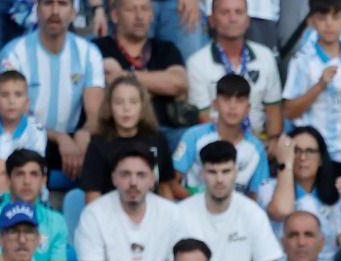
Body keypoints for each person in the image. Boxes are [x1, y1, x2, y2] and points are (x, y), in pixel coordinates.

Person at [0, 0, 105, 182]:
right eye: (48, 3)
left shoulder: (88, 52)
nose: (54, 11)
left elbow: (95, 115)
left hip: (71, 139)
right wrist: (59, 137)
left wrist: (83, 133)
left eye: (62, 4)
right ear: (37, 11)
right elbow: (12, 116)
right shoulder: (14, 53)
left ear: (73, 13)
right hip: (24, 137)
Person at [283, 0, 341, 208]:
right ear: (312, 22)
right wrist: (319, 86)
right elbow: (290, 111)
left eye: (335, 17)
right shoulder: (301, 62)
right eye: (322, 18)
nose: (329, 24)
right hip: (318, 158)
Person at [75, 145, 179, 261]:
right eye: (125, 174)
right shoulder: (94, 213)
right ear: (114, 178)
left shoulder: (171, 213)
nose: (133, 182)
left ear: (152, 180)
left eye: (141, 175)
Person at [174, 140, 282, 261]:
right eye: (212, 172)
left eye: (226, 171)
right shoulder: (180, 213)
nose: (219, 180)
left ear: (236, 172)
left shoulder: (252, 213)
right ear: (202, 174)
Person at [259, 126, 341, 261]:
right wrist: (285, 164)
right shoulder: (268, 187)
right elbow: (282, 210)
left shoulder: (334, 194)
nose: (303, 157)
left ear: (321, 159)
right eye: (296, 151)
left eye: (310, 151)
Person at [186, 0, 284, 140]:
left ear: (248, 20)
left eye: (239, 12)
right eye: (225, 12)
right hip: (215, 146)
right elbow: (204, 118)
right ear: (212, 20)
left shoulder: (265, 56)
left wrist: (273, 141)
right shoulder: (197, 63)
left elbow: (273, 110)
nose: (233, 18)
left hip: (259, 142)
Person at [78, 74, 178, 202]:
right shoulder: (98, 144)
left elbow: (165, 186)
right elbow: (92, 197)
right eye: (119, 102)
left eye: (133, 102)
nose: (126, 109)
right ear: (110, 107)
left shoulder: (158, 139)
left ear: (142, 106)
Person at [96, 0, 190, 131]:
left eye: (145, 9)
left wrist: (123, 76)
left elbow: (179, 83)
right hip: (115, 134)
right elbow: (101, 95)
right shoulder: (98, 49)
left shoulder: (166, 49)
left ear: (151, 15)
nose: (139, 16)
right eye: (131, 9)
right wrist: (158, 87)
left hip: (163, 132)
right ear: (115, 15)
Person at [172, 74, 270, 197]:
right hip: (193, 210)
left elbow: (257, 196)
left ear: (248, 108)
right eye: (226, 99)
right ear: (215, 104)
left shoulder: (257, 149)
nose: (232, 107)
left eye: (240, 100)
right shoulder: (194, 136)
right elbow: (172, 183)